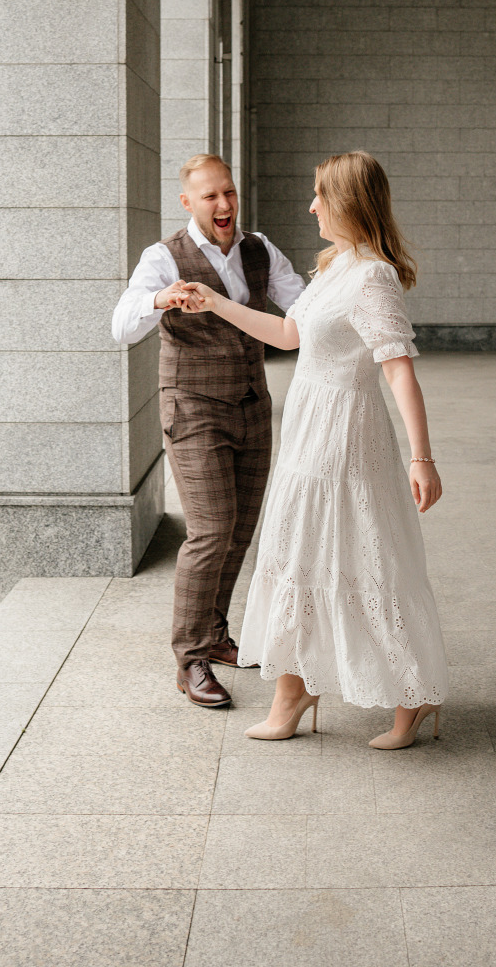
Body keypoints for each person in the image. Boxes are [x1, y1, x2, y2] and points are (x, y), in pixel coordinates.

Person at [177, 150, 449, 749]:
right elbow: (287, 333)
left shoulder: (371, 275)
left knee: (360, 561)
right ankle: (294, 689)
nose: (311, 205)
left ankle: (412, 693)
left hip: (346, 441)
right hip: (308, 434)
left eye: (320, 195)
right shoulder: (334, 267)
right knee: (300, 558)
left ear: (348, 202)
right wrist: (214, 302)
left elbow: (398, 371)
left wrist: (422, 458)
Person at [111, 154, 306, 709]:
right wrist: (158, 298)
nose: (223, 206)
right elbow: (122, 325)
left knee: (241, 527)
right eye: (210, 197)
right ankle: (190, 657)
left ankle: (215, 634)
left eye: (229, 193)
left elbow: (301, 307)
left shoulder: (259, 248)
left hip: (251, 403)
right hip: (193, 407)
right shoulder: (163, 257)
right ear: (187, 202)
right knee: (211, 528)